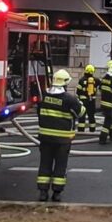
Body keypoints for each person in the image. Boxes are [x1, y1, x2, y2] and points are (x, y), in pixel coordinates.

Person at [36, 70, 83, 203]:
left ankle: (43, 192)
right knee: (60, 165)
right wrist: (80, 104)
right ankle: (57, 193)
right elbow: (80, 113)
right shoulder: (69, 99)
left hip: (45, 137)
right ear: (65, 83)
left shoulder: (43, 96)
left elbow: (39, 113)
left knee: (45, 163)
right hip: (63, 140)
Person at [77, 64, 99, 130]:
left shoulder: (81, 80)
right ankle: (92, 130)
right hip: (92, 100)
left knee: (82, 116)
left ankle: (81, 130)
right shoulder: (96, 80)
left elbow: (78, 91)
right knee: (91, 116)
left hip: (83, 101)